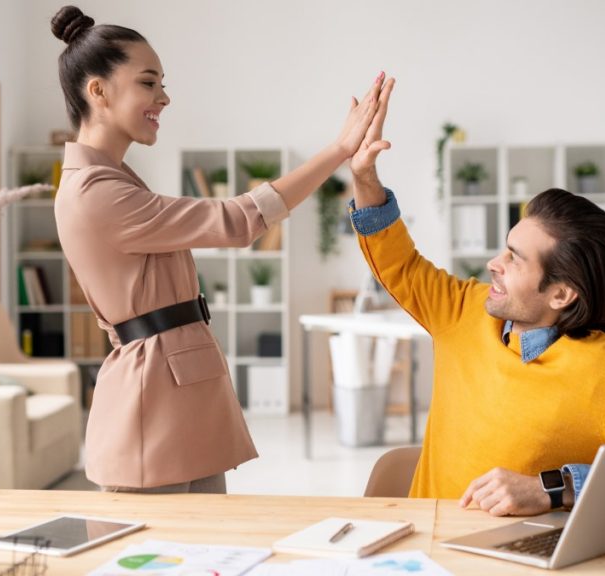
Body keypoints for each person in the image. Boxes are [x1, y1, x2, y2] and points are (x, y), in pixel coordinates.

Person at [50, 5, 385, 493]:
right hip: (151, 403)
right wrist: (336, 151)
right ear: (97, 90)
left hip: (177, 387)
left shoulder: (112, 178)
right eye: (148, 83)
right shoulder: (94, 192)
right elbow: (235, 222)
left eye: (163, 84)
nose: (163, 97)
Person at [347, 77, 605, 516]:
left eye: (514, 258)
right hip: (425, 550)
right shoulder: (463, 312)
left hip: (515, 557)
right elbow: (398, 262)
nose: (494, 263)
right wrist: (364, 177)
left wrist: (552, 488)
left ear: (561, 293)